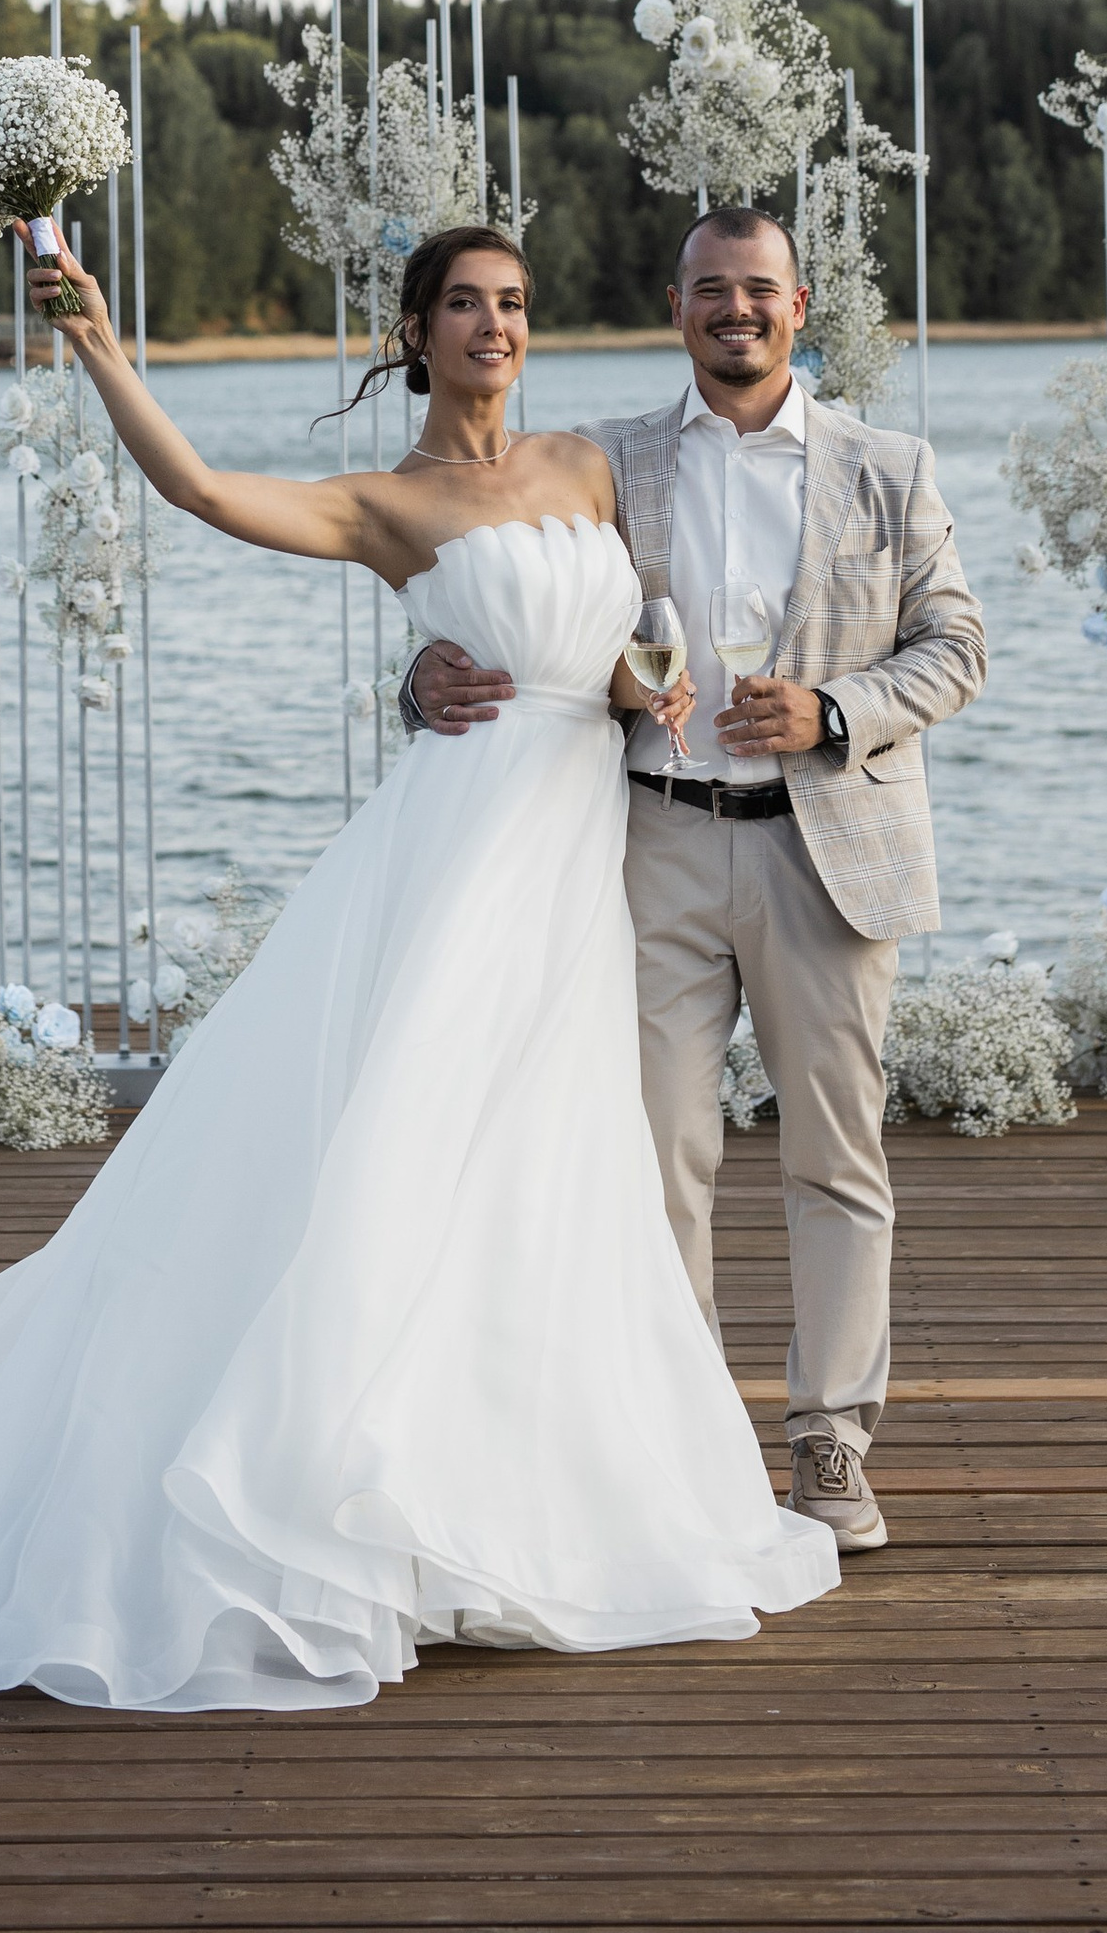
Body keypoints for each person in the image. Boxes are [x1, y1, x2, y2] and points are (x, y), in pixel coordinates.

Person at [0, 222, 841, 1713]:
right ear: (417, 332)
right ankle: (346, 1498)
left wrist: (655, 678)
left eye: (514, 303)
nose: (495, 327)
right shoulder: (389, 503)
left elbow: (631, 644)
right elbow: (198, 488)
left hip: (583, 859)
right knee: (404, 1156)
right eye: (464, 305)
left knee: (547, 1165)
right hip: (461, 859)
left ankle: (510, 1494)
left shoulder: (588, 468)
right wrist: (99, 346)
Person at [401, 207, 987, 1555]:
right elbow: (486, 577)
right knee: (657, 1156)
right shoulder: (606, 461)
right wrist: (420, 673)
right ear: (677, 309)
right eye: (711, 289)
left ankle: (831, 1440)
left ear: (799, 308)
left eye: (759, 289)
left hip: (825, 850)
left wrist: (833, 709)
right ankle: (687, 1445)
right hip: (651, 841)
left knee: (835, 1158)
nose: (737, 309)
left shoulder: (889, 466)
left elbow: (957, 648)